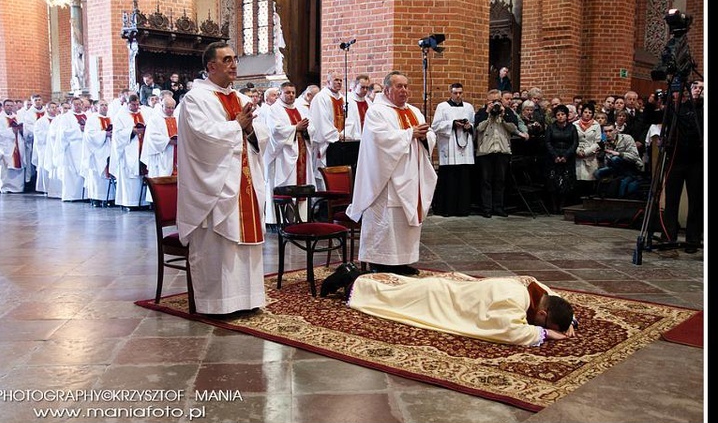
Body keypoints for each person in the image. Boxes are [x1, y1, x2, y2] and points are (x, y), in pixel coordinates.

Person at [176, 42, 269, 315]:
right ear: (211, 66)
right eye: (227, 60)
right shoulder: (196, 98)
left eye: (235, 59)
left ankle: (248, 299)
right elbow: (202, 136)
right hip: (216, 184)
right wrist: (236, 126)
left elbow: (260, 134)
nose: (233, 65)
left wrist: (250, 129)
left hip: (245, 182)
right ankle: (218, 304)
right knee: (221, 245)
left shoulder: (240, 99)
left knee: (243, 244)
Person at [324, 271, 575, 346]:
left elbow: (555, 297)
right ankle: (350, 280)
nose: (539, 326)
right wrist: (545, 334)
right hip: (441, 297)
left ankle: (356, 277)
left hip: (452, 288)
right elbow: (510, 331)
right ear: (541, 314)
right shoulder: (516, 300)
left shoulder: (533, 287)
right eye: (542, 323)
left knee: (399, 287)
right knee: (391, 296)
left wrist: (569, 321)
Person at [346, 70, 437, 276]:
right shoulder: (377, 111)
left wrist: (424, 136)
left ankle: (402, 261)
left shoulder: (414, 111)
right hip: (386, 178)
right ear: (387, 89)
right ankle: (380, 261)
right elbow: (379, 139)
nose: (404, 90)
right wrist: (409, 134)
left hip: (411, 175)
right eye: (399, 86)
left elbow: (428, 135)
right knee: (386, 221)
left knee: (405, 222)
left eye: (406, 86)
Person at [660, 80, 703, 255]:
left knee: (697, 201)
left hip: (697, 161)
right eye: (695, 87)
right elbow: (662, 117)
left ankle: (692, 240)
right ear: (688, 89)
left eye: (702, 88)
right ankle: (669, 238)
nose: (698, 90)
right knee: (671, 200)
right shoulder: (678, 108)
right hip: (676, 160)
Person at [264, 81, 317, 223]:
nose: (291, 95)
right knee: (286, 185)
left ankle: (303, 220)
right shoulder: (274, 110)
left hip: (302, 153)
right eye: (287, 92)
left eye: (293, 92)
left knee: (302, 186)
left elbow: (312, 127)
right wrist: (295, 128)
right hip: (284, 156)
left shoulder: (302, 109)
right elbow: (275, 130)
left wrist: (305, 129)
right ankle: (284, 221)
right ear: (280, 94)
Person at [430, 82, 475, 217]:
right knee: (449, 179)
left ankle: (463, 209)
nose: (458, 95)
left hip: (465, 147)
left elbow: (474, 124)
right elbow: (436, 126)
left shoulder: (468, 107)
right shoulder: (442, 107)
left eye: (460, 93)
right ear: (450, 93)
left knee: (464, 179)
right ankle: (446, 209)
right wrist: (452, 123)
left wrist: (469, 126)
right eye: (455, 93)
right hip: (449, 148)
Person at [474, 89, 518, 218]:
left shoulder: (508, 112)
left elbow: (513, 128)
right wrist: (488, 114)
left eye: (498, 101)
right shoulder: (482, 112)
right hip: (485, 151)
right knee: (486, 181)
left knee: (500, 181)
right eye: (493, 101)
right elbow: (479, 128)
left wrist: (504, 116)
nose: (496, 104)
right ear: (487, 102)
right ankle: (487, 208)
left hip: (502, 150)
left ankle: (499, 207)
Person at [110, 94, 150, 209]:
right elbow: (117, 135)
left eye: (138, 104)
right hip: (129, 150)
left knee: (143, 175)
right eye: (133, 105)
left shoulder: (145, 113)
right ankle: (130, 202)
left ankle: (143, 202)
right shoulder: (120, 116)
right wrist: (132, 131)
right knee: (131, 178)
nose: (136, 107)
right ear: (128, 104)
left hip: (143, 148)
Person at [309, 71, 347, 189]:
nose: (339, 83)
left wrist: (345, 133)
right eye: (336, 80)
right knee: (325, 177)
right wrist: (336, 135)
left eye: (341, 80)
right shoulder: (321, 98)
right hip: (328, 143)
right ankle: (324, 202)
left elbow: (350, 118)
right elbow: (321, 120)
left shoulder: (343, 99)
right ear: (328, 82)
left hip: (341, 143)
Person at [593, 122, 644, 199]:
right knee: (597, 173)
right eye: (605, 131)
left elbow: (634, 157)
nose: (608, 133)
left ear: (616, 131)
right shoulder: (605, 143)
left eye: (610, 131)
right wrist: (599, 156)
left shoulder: (626, 138)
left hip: (630, 167)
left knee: (615, 159)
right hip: (615, 169)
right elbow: (606, 163)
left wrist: (619, 154)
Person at [544, 104, 579, 214]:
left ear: (567, 116)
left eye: (562, 114)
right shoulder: (551, 127)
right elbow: (548, 142)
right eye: (558, 114)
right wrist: (555, 156)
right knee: (553, 182)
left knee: (566, 182)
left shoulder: (572, 127)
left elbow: (575, 143)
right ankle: (554, 206)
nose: (560, 116)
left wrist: (566, 156)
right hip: (553, 158)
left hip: (567, 158)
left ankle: (563, 205)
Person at [54, 96, 88, 202]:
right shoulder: (66, 117)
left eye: (79, 104)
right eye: (75, 104)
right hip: (72, 148)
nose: (78, 106)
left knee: (84, 169)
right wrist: (78, 129)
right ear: (71, 105)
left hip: (84, 146)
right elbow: (63, 133)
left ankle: (85, 195)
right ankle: (72, 196)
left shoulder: (86, 115)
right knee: (71, 173)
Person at [81, 99, 115, 207]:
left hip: (109, 148)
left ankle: (109, 197)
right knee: (97, 175)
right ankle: (96, 197)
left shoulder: (111, 118)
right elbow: (90, 135)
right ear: (96, 107)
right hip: (97, 151)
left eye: (106, 105)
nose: (104, 107)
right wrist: (105, 134)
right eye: (102, 105)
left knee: (109, 174)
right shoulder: (92, 119)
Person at [0, 98, 26, 193]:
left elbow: (24, 130)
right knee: (5, 167)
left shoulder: (18, 117)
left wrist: (22, 129)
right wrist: (11, 131)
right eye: (7, 105)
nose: (10, 107)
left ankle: (18, 187)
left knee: (18, 165)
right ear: (3, 107)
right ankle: (6, 187)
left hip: (18, 144)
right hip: (6, 146)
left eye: (11, 105)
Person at [141, 95, 178, 180]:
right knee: (161, 179)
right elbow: (152, 137)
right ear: (162, 106)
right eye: (168, 108)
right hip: (161, 155)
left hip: (176, 153)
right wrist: (168, 141)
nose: (171, 110)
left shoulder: (177, 117)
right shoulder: (155, 119)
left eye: (173, 108)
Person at [572, 103, 601, 200]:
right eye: (585, 112)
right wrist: (577, 151)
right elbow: (572, 140)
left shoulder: (596, 125)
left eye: (590, 112)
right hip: (577, 153)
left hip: (590, 155)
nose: (587, 114)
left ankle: (588, 201)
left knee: (589, 179)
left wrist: (586, 152)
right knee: (578, 179)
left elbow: (598, 142)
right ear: (581, 112)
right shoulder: (574, 124)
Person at [345, 73, 371, 140]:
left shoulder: (369, 102)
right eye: (362, 87)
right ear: (355, 86)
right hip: (353, 139)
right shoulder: (347, 101)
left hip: (367, 138)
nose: (365, 90)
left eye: (367, 88)